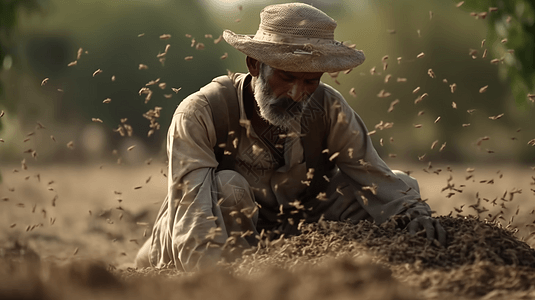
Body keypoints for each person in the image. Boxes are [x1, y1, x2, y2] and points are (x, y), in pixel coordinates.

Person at [135, 2, 446, 271]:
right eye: (286, 77)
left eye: (310, 81)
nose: (298, 94)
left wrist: (412, 214)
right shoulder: (201, 113)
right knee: (228, 187)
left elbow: (376, 178)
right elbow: (194, 221)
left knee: (396, 188)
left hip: (292, 235)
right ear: (255, 65)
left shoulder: (329, 109)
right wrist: (217, 286)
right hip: (203, 243)